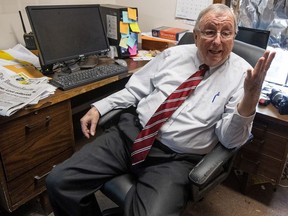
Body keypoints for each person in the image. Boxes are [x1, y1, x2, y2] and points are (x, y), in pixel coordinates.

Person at [46, 3, 275, 216]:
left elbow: (230, 141)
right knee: (59, 181)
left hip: (175, 158)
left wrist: (250, 98)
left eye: (226, 33)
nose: (217, 41)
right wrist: (99, 107)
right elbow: (134, 89)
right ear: (195, 36)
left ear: (233, 37)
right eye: (209, 32)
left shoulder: (244, 77)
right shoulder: (172, 55)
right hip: (130, 135)